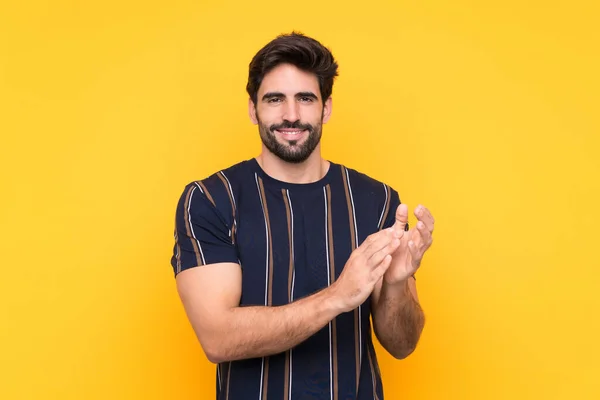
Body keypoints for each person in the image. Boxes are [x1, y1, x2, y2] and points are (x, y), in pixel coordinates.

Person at [170, 32, 434, 400]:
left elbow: (403, 344)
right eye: (275, 99)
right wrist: (338, 296)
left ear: (326, 108)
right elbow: (217, 337)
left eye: (305, 99)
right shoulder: (211, 200)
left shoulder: (377, 200)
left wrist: (395, 285)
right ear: (252, 109)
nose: (291, 115)